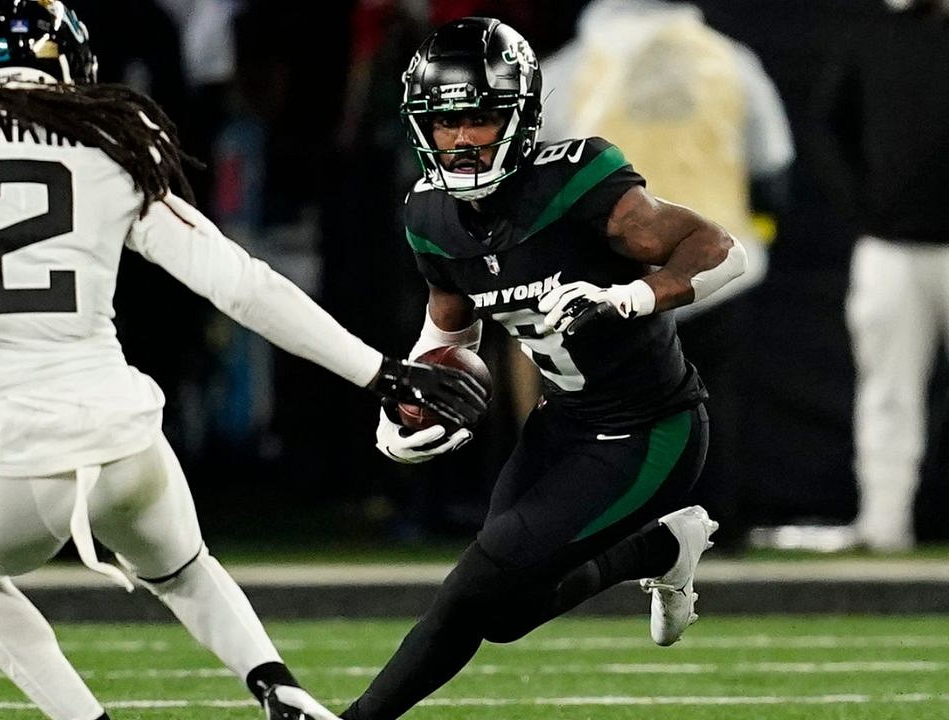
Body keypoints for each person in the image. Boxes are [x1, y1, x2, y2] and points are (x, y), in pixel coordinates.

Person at [0, 3, 486, 720]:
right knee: (185, 568)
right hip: (124, 440)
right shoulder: (110, 137)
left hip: (10, 462)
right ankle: (276, 685)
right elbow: (239, 283)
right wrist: (379, 371)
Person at [343, 18, 748, 719]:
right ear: (419, 128)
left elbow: (722, 250)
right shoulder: (428, 214)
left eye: (480, 116)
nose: (463, 137)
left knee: (472, 588)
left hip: (652, 430)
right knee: (502, 612)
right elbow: (450, 327)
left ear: (521, 117)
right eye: (446, 123)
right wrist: (409, 396)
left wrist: (627, 295)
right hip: (563, 427)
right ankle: (660, 548)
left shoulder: (578, 182)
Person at [537, 0, 795, 549]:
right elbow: (772, 169)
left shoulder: (569, 70)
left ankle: (611, 531)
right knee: (713, 406)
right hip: (717, 268)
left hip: (607, 279)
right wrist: (755, 232)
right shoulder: (731, 61)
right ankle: (719, 527)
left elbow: (534, 174)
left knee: (610, 413)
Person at [807, 0, 948, 553]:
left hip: (899, 239)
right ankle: (885, 526)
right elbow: (826, 126)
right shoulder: (872, 35)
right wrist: (863, 208)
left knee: (889, 391)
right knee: (888, 391)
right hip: (890, 247)